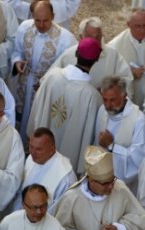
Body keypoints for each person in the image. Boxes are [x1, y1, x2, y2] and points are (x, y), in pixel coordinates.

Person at [52, 147, 145, 230]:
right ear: (91, 180)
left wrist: (119, 229)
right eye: (104, 183)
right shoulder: (72, 197)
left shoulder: (119, 189)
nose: (110, 187)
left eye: (112, 180)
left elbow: (138, 217)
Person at [26, 40, 103, 174]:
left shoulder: (52, 76)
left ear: (76, 53)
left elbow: (37, 106)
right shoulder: (92, 96)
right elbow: (90, 136)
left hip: (40, 154)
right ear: (97, 59)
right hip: (66, 168)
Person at [8, 0, 76, 134]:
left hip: (47, 88)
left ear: (53, 16)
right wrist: (17, 62)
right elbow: (17, 51)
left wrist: (48, 82)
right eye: (37, 20)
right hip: (24, 83)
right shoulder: (24, 28)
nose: (41, 25)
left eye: (45, 20)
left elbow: (67, 70)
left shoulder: (66, 39)